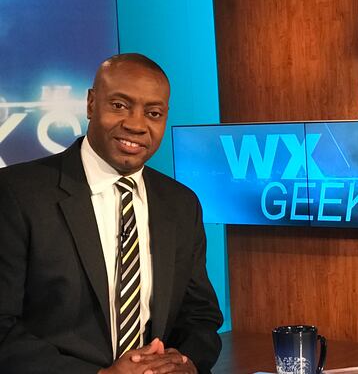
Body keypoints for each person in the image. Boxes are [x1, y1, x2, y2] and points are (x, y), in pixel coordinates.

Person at [0, 53, 223, 373]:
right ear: (91, 104)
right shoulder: (17, 193)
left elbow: (200, 317)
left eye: (153, 113)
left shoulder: (181, 203)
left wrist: (185, 363)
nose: (135, 124)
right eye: (119, 105)